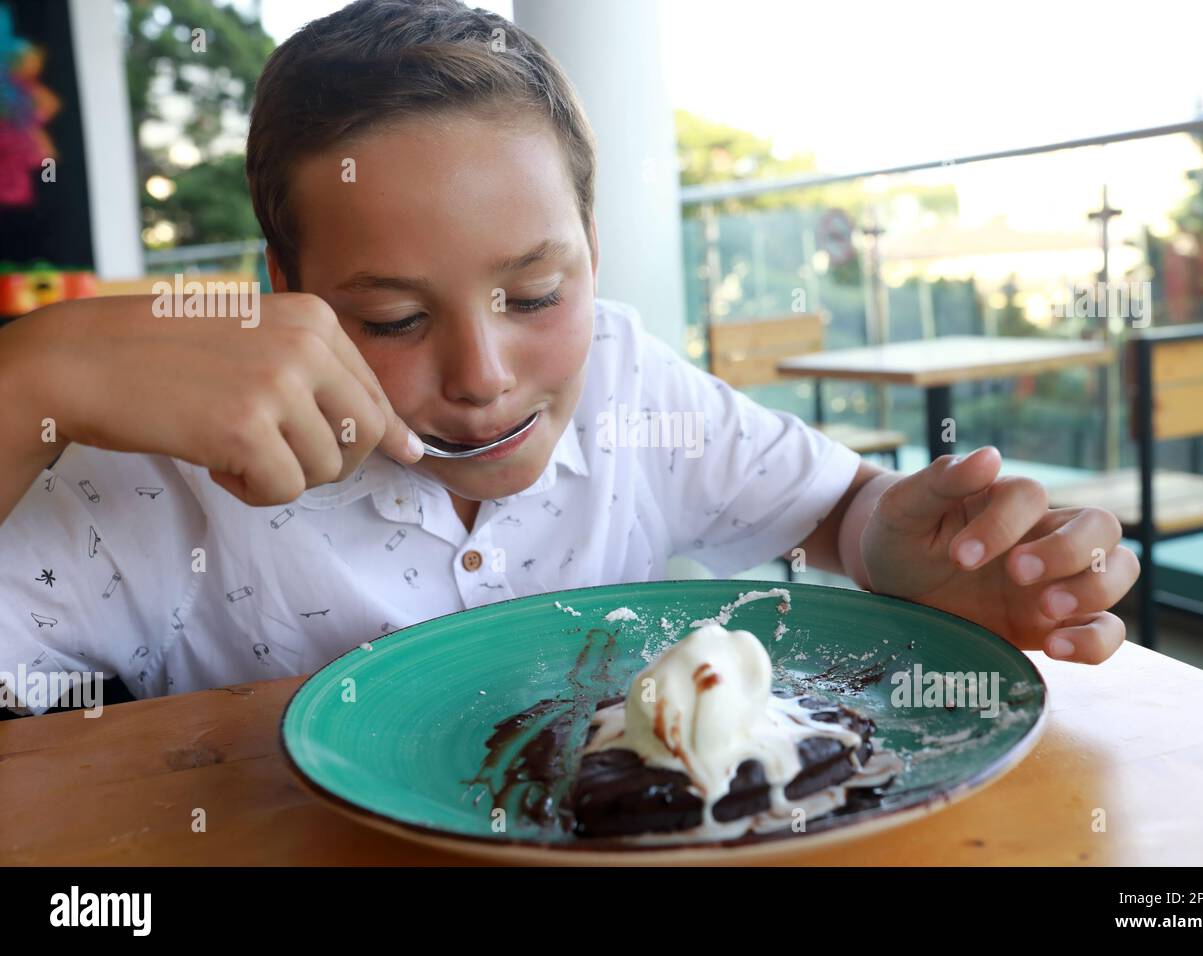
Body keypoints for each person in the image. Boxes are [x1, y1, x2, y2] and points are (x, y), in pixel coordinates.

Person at [0, 0, 1138, 715]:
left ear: (593, 254)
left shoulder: (632, 384)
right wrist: (27, 384)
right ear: (286, 291)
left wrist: (898, 541)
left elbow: (835, 507)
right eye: (390, 320)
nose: (484, 372)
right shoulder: (161, 475)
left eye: (536, 293)